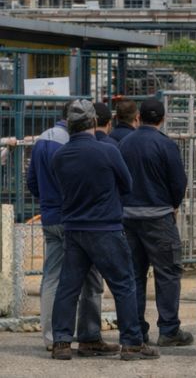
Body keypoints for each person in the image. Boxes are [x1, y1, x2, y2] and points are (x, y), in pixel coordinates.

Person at [50, 99, 158, 361]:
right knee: (124, 284)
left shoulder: (59, 156)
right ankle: (131, 343)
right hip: (106, 227)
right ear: (94, 123)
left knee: (68, 287)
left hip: (74, 229)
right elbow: (127, 185)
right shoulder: (108, 152)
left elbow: (60, 188)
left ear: (70, 125)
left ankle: (62, 343)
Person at [27, 102, 114, 356]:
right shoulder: (74, 143)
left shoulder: (43, 138)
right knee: (90, 278)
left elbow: (32, 181)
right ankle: (89, 335)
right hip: (76, 218)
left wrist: (47, 202)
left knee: (52, 277)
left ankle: (53, 337)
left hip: (50, 217)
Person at [118, 98, 191, 347]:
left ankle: (137, 329)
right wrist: (173, 204)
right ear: (162, 119)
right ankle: (169, 329)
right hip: (159, 217)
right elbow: (179, 182)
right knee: (168, 273)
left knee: (134, 275)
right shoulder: (165, 145)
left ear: (139, 117)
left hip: (128, 218)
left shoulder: (124, 144)